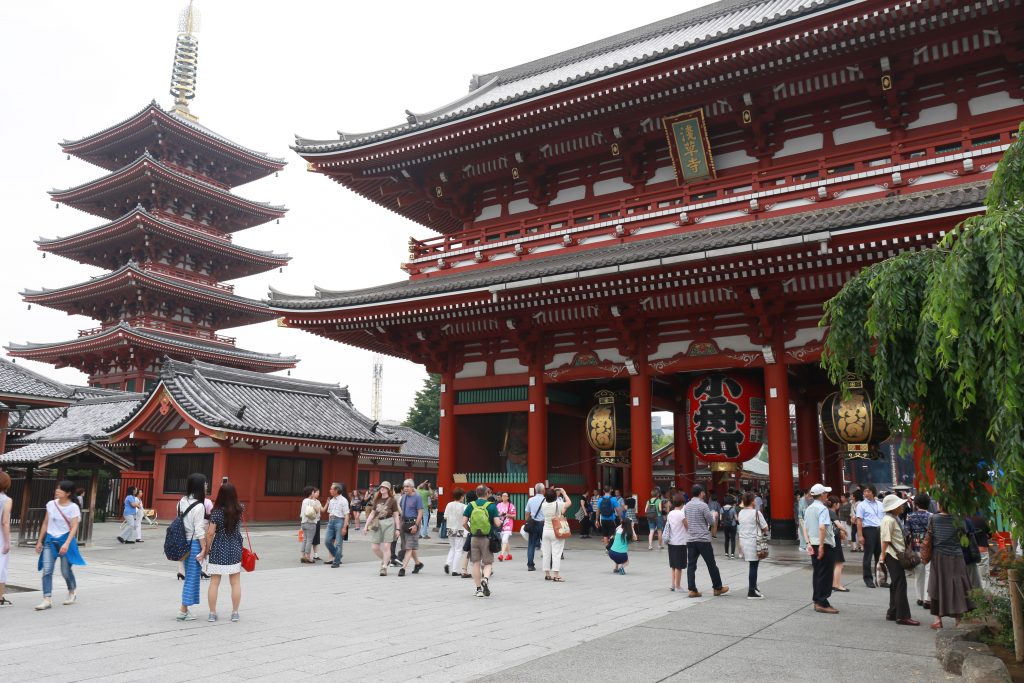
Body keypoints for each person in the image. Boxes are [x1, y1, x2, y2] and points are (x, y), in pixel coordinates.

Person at [927, 499, 976, 629]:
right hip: (956, 556)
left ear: (941, 505)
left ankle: (937, 619)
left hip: (939, 556)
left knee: (937, 584)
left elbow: (930, 535)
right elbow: (963, 535)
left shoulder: (934, 518)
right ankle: (958, 619)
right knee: (958, 585)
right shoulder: (959, 519)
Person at [205, 482, 244, 623]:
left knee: (214, 582)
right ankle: (234, 613)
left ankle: (212, 613)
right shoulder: (240, 510)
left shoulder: (216, 512)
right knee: (235, 582)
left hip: (219, 548)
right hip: (234, 547)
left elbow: (210, 533)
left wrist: (206, 549)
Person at [879, 494, 918, 625]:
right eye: (899, 505)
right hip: (892, 555)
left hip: (894, 554)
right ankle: (902, 616)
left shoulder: (892, 518)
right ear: (893, 507)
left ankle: (893, 612)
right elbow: (885, 540)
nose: (902, 506)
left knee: (896, 584)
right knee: (900, 584)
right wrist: (882, 557)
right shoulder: (888, 520)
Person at [683, 485, 728, 597]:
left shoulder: (687, 505)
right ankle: (717, 588)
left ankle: (692, 589)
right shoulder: (703, 505)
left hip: (691, 539)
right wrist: (713, 517)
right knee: (711, 564)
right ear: (701, 493)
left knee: (691, 565)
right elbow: (711, 522)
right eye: (704, 492)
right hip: (703, 539)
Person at [176, 473, 207, 621]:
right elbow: (199, 530)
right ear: (200, 486)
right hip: (194, 544)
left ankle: (186, 609)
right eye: (205, 484)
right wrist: (204, 549)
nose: (206, 486)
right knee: (192, 578)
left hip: (182, 543)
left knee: (189, 576)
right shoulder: (199, 506)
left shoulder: (181, 501)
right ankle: (183, 610)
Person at [803, 484, 838, 614]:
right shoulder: (822, 509)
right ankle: (822, 601)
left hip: (813, 543)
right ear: (822, 495)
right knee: (825, 574)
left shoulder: (809, 509)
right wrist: (822, 546)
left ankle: (818, 599)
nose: (827, 495)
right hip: (824, 544)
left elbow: (804, 527)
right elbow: (822, 527)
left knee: (818, 573)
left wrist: (808, 543)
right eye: (825, 493)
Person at [463, 485, 500, 597]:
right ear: (487, 493)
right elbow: (497, 523)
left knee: (476, 563)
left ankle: (478, 589)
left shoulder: (471, 505)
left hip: (474, 538)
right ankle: (486, 578)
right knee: (488, 563)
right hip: (487, 538)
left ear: (476, 493)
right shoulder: (492, 506)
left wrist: (470, 530)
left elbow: (463, 522)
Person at [363, 482, 401, 576]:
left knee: (387, 547)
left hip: (389, 523)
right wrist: (366, 526)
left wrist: (398, 529)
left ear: (388, 489)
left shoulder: (392, 500)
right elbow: (372, 514)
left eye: (385, 487)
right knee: (375, 547)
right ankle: (386, 560)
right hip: (378, 524)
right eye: (381, 487)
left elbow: (396, 516)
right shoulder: (377, 500)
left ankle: (384, 567)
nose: (382, 488)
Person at [737, 491, 769, 599]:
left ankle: (754, 587)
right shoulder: (756, 513)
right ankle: (751, 591)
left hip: (743, 542)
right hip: (754, 542)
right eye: (754, 499)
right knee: (753, 566)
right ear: (751, 501)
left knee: (753, 565)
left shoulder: (740, 513)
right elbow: (765, 528)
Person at [905, 493, 932, 609]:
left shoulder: (910, 516)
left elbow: (906, 532)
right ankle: (927, 598)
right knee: (928, 572)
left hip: (915, 547)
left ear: (915, 504)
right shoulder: (932, 516)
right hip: (928, 548)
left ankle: (919, 598)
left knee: (918, 574)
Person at [541, 487, 571, 582]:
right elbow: (569, 503)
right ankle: (556, 575)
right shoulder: (558, 504)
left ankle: (547, 574)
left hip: (546, 531)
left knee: (546, 553)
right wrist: (564, 493)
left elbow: (547, 498)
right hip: (556, 531)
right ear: (555, 496)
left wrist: (550, 491)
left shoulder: (543, 505)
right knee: (556, 553)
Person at [857, 485, 885, 587]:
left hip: (880, 530)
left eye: (868, 491)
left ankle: (881, 579)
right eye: (864, 492)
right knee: (868, 556)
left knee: (881, 556)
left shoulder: (880, 504)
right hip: (868, 530)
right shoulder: (861, 505)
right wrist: (860, 536)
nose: (866, 493)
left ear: (873, 492)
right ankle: (868, 578)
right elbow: (859, 520)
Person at [398, 479, 425, 576]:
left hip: (413, 523)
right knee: (408, 546)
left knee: (409, 547)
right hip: (404, 524)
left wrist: (416, 525)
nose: (405, 488)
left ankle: (403, 569)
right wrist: (398, 526)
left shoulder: (417, 497)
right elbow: (401, 512)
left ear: (412, 487)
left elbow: (420, 512)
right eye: (404, 486)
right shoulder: (404, 497)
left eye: (407, 486)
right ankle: (418, 564)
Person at [663, 492, 687, 591]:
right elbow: (687, 526)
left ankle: (673, 584)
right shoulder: (681, 514)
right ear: (682, 503)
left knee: (673, 565)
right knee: (679, 566)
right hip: (680, 542)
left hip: (671, 542)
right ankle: (678, 585)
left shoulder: (670, 513)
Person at [324, 483, 350, 568]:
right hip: (331, 521)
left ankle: (336, 561)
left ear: (337, 490)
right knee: (327, 541)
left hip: (339, 521)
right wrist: (329, 522)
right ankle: (338, 555)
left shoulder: (343, 500)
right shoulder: (331, 500)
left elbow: (346, 515)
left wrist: (344, 527)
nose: (330, 490)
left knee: (338, 543)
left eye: (332, 489)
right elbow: (329, 513)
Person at [827, 495, 850, 593]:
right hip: (834, 540)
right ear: (835, 504)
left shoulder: (827, 512)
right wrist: (845, 530)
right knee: (839, 563)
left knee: (836, 563)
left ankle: (834, 583)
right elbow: (838, 524)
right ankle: (837, 584)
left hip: (832, 539)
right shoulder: (832, 513)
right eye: (838, 503)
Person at [443, 488, 467, 575]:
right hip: (459, 529)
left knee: (452, 547)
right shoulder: (464, 506)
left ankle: (447, 563)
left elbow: (445, 517)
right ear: (461, 496)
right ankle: (455, 570)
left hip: (450, 528)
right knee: (458, 550)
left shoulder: (449, 504)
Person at [524, 483, 546, 572]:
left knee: (531, 545)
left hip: (533, 523)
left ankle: (530, 565)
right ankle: (550, 563)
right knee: (546, 544)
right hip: (543, 524)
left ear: (535, 490)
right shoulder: (546, 500)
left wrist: (527, 522)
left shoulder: (530, 500)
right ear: (543, 490)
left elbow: (527, 513)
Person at [299, 486, 321, 564]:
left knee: (304, 540)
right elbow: (318, 510)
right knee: (309, 540)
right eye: (313, 492)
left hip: (303, 522)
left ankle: (302, 556)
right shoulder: (312, 501)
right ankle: (308, 557)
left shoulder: (304, 500)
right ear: (311, 492)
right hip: (311, 523)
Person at [0, 471, 12, 607]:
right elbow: (5, 522)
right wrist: (8, 541)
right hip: (0, 537)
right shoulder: (6, 500)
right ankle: (0, 597)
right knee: (1, 566)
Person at [496, 492, 516, 561]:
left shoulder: (511, 505)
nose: (504, 497)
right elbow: (496, 514)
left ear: (508, 497)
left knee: (504, 539)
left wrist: (507, 515)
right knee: (505, 540)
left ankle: (501, 555)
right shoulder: (498, 505)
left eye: (505, 496)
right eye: (503, 496)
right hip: (501, 524)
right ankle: (509, 555)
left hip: (508, 524)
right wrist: (500, 515)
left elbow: (514, 515)